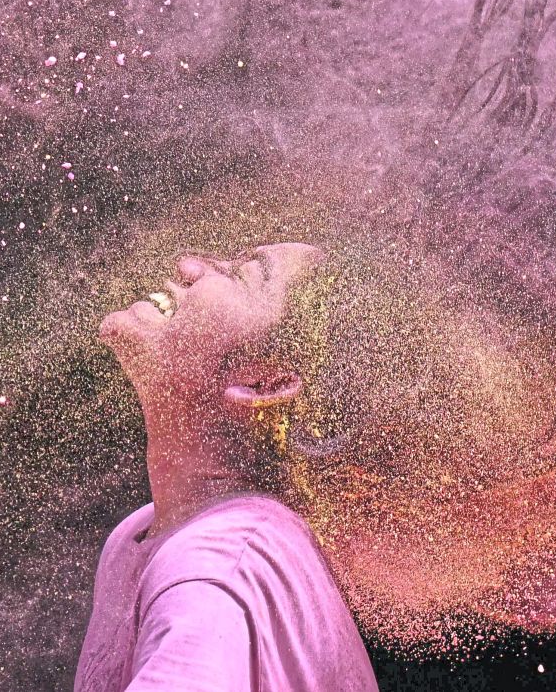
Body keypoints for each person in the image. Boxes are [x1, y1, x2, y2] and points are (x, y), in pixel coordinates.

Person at [74, 242, 380, 692]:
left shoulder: (212, 576)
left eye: (243, 274)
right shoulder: (147, 533)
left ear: (262, 384)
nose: (190, 264)